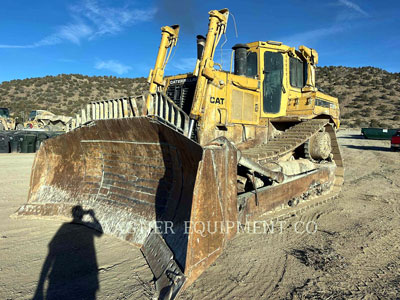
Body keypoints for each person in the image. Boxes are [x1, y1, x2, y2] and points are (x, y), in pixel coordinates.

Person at [33, 206, 103, 300]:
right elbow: (100, 233)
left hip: (61, 270)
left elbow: (51, 248)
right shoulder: (84, 225)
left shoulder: (65, 226)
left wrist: (40, 284)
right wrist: (93, 217)